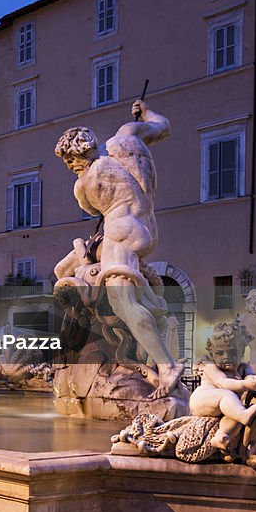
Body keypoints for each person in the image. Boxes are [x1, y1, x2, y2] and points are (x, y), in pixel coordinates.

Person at [54, 100, 182, 398]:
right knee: (64, 270)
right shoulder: (125, 140)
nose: (70, 166)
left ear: (78, 155)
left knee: (124, 304)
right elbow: (163, 127)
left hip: (119, 231)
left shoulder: (83, 182)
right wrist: (146, 111)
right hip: (144, 226)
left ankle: (167, 365)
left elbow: (89, 208)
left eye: (69, 160)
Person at [190, 321, 256, 451]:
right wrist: (246, 384)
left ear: (242, 352)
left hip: (226, 405)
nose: (226, 357)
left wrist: (255, 381)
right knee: (228, 395)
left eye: (233, 353)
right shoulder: (210, 366)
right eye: (219, 353)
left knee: (234, 414)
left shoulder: (244, 367)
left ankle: (222, 436)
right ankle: (244, 416)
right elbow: (223, 383)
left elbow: (251, 377)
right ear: (211, 354)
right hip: (203, 399)